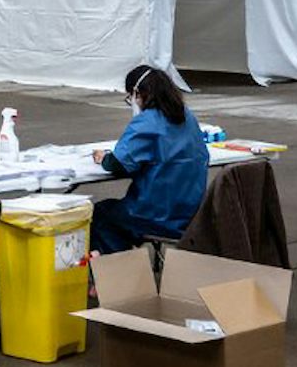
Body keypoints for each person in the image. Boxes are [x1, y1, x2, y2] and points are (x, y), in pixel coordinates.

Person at [88, 64, 210, 256]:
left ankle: (117, 266)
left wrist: (104, 158)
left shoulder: (147, 122)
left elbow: (118, 163)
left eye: (131, 97)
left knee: (101, 214)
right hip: (190, 214)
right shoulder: (187, 117)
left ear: (138, 94)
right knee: (114, 214)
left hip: (153, 214)